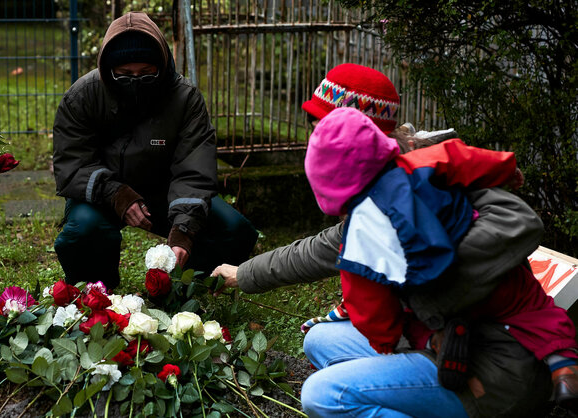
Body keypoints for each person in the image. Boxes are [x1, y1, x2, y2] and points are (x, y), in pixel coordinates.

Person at [210, 63, 571, 416]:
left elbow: (521, 220)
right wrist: (243, 274)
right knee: (320, 341)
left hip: (493, 360)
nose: (315, 135)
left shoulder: (431, 177)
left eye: (323, 124)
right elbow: (319, 250)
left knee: (322, 395)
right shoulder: (373, 198)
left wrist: (428, 278)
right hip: (438, 339)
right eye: (314, 124)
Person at [307, 107, 578, 401]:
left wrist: (385, 342)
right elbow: (465, 158)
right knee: (532, 305)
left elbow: (367, 303)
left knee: (417, 325)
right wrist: (507, 169)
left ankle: (438, 342)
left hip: (430, 299)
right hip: (487, 276)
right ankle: (563, 367)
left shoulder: (356, 240)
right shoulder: (418, 164)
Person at [51, 12, 258, 290]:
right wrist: (117, 195)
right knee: (84, 230)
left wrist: (183, 230)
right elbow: (72, 164)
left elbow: (194, 170)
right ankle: (97, 294)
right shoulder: (82, 96)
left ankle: (184, 290)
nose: (135, 82)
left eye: (146, 74)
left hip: (165, 192)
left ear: (161, 67)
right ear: (108, 70)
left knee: (235, 230)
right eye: (124, 75)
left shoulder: (185, 99)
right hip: (102, 194)